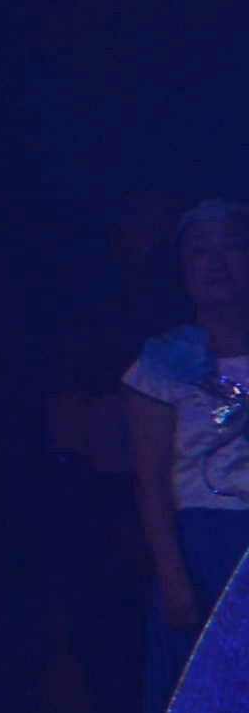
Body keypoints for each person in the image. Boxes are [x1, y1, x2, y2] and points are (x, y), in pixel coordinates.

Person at [128, 201, 249, 636]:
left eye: (232, 247)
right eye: (200, 250)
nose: (217, 263)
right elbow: (151, 482)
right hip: (203, 545)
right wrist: (173, 576)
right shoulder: (163, 363)